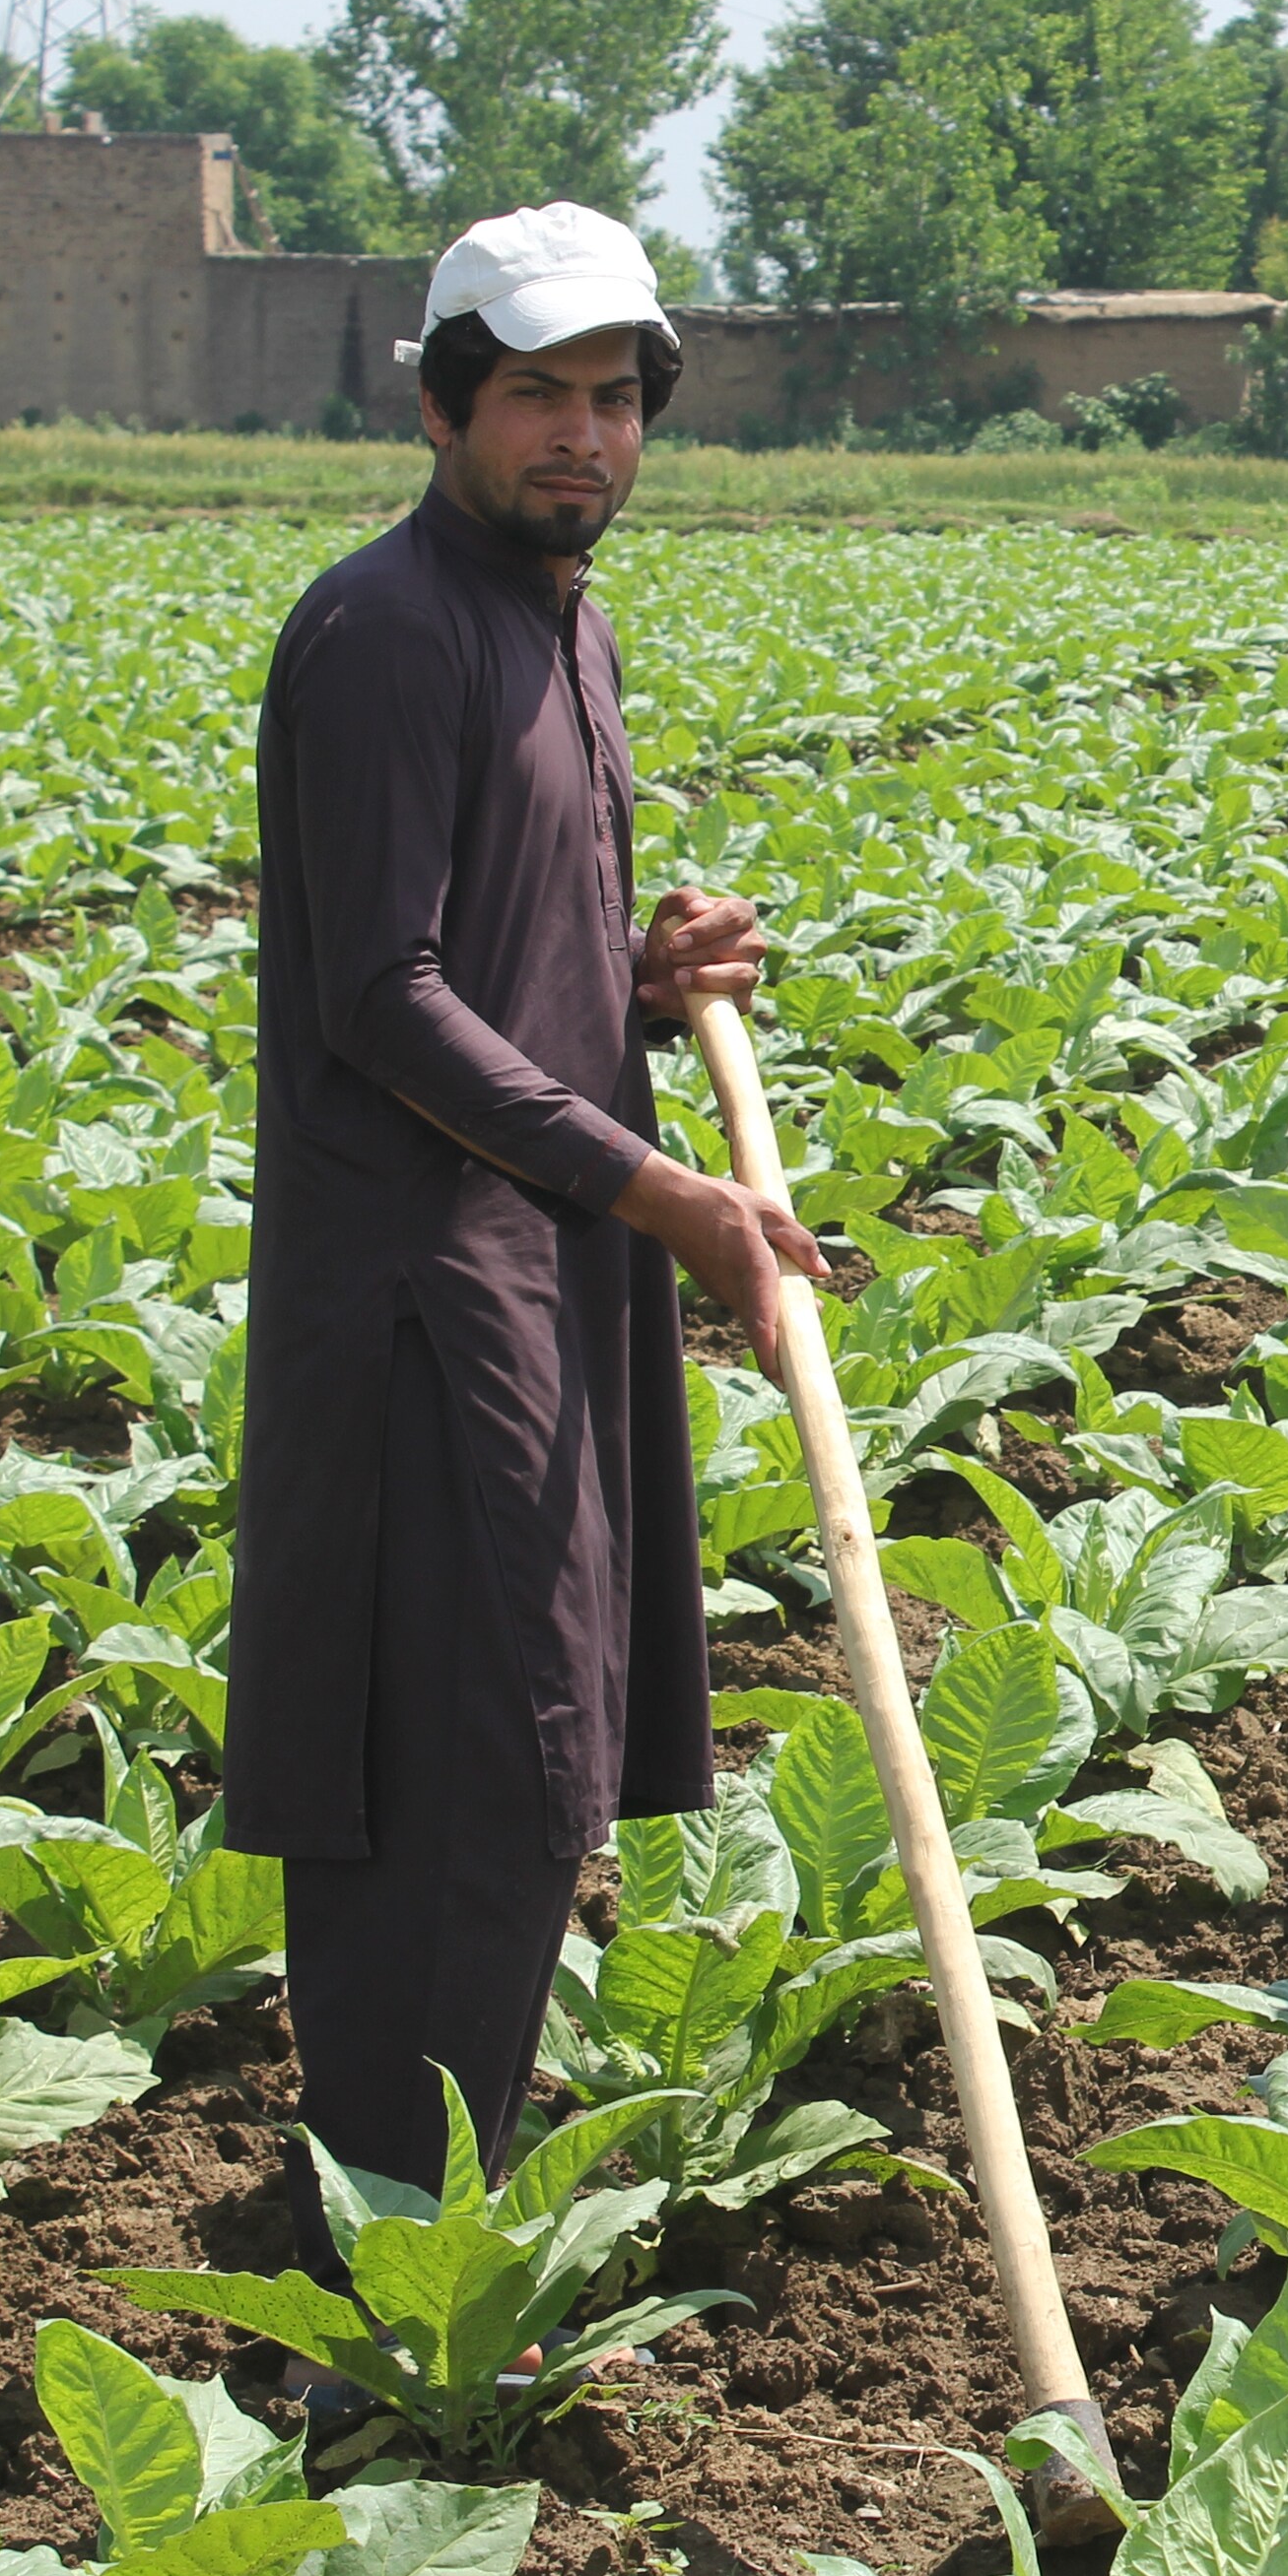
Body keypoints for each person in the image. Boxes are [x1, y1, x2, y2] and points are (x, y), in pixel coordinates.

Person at [225, 203, 825, 2288]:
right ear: (441, 403)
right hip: (420, 1286)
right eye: (540, 397)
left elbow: (503, 947)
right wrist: (665, 1193)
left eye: (613, 398)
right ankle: (376, 2259)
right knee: (453, 1748)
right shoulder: (389, 631)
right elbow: (378, 997)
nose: (584, 435)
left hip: (537, 1258)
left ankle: (425, 2190)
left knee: (529, 1736)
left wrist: (652, 971)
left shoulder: (564, 622)